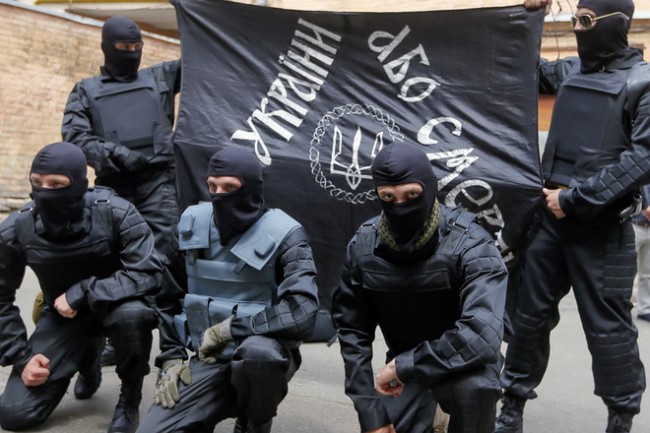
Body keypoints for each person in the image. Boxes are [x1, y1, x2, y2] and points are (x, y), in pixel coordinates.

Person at [495, 1, 649, 432]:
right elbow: (517, 64)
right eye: (574, 19)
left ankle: (620, 419)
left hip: (603, 228)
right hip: (549, 223)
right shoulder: (569, 71)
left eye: (586, 20)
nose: (578, 28)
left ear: (617, 24)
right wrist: (528, 14)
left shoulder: (643, 82)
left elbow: (643, 158)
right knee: (528, 320)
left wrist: (578, 198)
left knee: (609, 330)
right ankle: (511, 409)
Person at [136, 147, 320, 433]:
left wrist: (230, 329)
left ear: (252, 188)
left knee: (259, 356)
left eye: (230, 187)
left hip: (262, 356)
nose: (219, 195)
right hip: (208, 358)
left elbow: (303, 311)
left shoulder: (285, 234)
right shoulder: (191, 225)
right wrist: (171, 356)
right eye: (213, 186)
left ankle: (255, 419)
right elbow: (167, 298)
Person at [332, 142, 508, 433]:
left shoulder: (472, 244)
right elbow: (352, 331)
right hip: (404, 369)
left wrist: (407, 365)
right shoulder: (363, 246)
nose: (400, 206)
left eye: (411, 195)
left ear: (429, 188)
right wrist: (370, 412)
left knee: (475, 390)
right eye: (388, 197)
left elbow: (482, 335)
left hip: (464, 366)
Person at [0, 142, 162, 433]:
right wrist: (22, 358)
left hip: (117, 306)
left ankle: (129, 398)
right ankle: (88, 359)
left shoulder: (116, 213)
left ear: (79, 184)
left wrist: (84, 292)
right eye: (37, 183)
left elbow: (149, 272)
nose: (45, 192)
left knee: (133, 315)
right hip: (62, 316)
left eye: (57, 184)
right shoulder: (18, 228)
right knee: (14, 414)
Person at [61, 15, 182, 368]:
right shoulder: (86, 90)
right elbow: (75, 136)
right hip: (113, 185)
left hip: (158, 183)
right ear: (107, 47)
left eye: (136, 47)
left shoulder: (160, 77)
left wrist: (198, 14)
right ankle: (118, 338)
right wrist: (114, 154)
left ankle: (171, 349)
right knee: (112, 262)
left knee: (167, 262)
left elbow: (205, 58)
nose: (131, 53)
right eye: (123, 47)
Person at [632, 184, 650, 322]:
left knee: (647, 273)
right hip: (636, 226)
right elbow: (646, 208)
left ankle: (645, 309)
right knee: (626, 271)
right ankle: (620, 307)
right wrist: (646, 207)